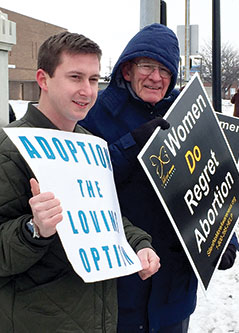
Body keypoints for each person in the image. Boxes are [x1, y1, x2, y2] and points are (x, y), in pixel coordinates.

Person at [79, 23, 239, 332]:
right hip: (120, 282)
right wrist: (131, 145)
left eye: (165, 70)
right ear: (126, 70)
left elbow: (214, 178)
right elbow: (85, 182)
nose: (156, 77)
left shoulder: (190, 112)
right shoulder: (95, 114)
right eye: (147, 66)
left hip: (173, 287)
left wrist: (224, 238)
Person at [0, 31, 161, 333]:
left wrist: (137, 243)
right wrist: (33, 229)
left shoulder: (91, 144)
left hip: (96, 319)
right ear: (43, 79)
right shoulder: (8, 148)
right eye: (75, 77)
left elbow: (102, 215)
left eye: (93, 79)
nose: (87, 90)